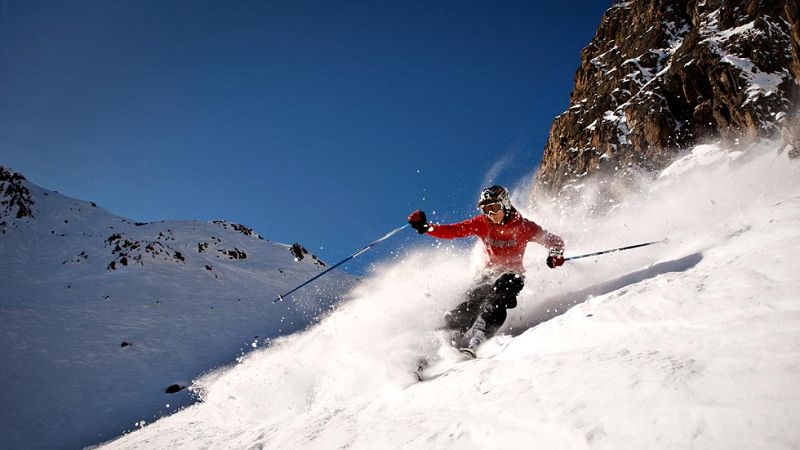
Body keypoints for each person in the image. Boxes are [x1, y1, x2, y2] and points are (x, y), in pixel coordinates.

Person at [407, 185, 565, 357]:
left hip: (512, 274)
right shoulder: (482, 223)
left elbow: (554, 241)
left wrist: (555, 255)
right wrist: (426, 227)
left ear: (505, 204)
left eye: (494, 208)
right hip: (488, 273)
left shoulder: (524, 227)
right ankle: (447, 335)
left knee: (502, 292)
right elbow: (454, 231)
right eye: (486, 210)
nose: (491, 214)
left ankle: (480, 335)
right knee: (474, 300)